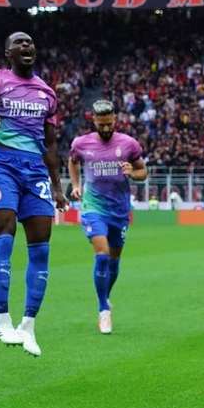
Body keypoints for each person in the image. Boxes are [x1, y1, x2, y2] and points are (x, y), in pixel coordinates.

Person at [0, 32, 67, 356]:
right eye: (19, 43)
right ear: (7, 51)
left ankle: (28, 326)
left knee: (41, 249)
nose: (26, 46)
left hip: (36, 171)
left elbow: (51, 144)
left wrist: (57, 186)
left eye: (30, 42)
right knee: (6, 231)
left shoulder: (47, 93)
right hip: (1, 164)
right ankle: (2, 321)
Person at [68, 100, 147, 334]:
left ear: (115, 120)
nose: (105, 128)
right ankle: (104, 310)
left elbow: (143, 171)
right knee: (101, 256)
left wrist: (133, 172)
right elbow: (72, 162)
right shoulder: (81, 143)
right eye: (101, 124)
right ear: (94, 120)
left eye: (109, 124)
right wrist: (75, 184)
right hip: (93, 207)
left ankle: (106, 295)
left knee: (113, 261)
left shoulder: (129, 143)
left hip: (120, 211)